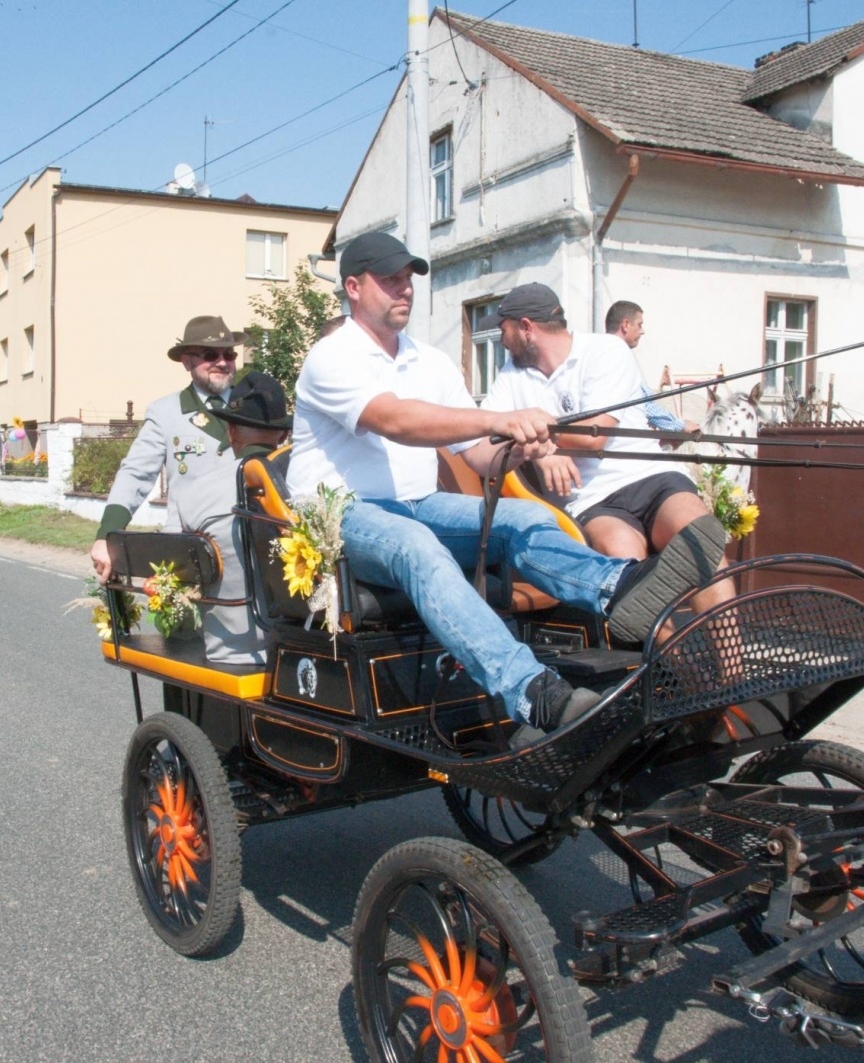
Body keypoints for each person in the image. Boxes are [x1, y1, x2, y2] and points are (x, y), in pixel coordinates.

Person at [287, 233, 724, 743]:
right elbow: (396, 419)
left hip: (418, 504)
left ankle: (619, 589)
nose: (404, 290)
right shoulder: (331, 356)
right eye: (391, 280)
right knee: (416, 547)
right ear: (354, 288)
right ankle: (531, 691)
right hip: (340, 513)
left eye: (408, 279)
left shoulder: (428, 361)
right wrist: (504, 417)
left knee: (528, 519)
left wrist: (521, 446)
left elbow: (476, 453)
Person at [482, 283, 734, 613]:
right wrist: (542, 451)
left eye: (504, 330)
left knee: (701, 546)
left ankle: (732, 665)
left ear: (526, 328)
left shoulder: (605, 350)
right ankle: (672, 663)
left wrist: (539, 437)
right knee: (623, 568)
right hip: (592, 500)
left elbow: (593, 435)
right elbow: (490, 433)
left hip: (652, 477)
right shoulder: (512, 374)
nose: (501, 341)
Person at [90, 315, 249, 652]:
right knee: (187, 656)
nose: (222, 362)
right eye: (210, 355)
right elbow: (135, 474)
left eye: (229, 354)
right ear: (188, 361)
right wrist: (107, 534)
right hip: (189, 557)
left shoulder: (254, 405)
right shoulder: (166, 412)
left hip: (248, 548)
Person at [197, 370, 292, 664]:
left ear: (231, 432)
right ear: (284, 434)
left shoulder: (196, 490)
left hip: (234, 652)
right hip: (311, 646)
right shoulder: (310, 479)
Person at [605, 299, 691, 433]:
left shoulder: (596, 352)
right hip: (625, 442)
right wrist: (679, 425)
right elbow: (645, 403)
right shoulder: (619, 354)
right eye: (639, 325)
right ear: (626, 325)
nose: (642, 331)